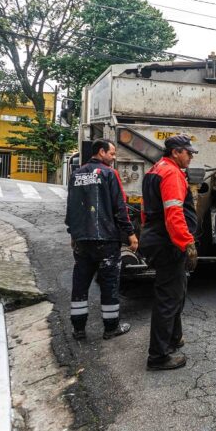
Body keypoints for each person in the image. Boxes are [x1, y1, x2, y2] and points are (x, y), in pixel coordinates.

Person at [65, 139, 138, 341]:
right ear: (101, 152)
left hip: (82, 240)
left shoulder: (77, 174)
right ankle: (110, 328)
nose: (114, 158)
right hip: (106, 239)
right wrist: (130, 233)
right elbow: (119, 207)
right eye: (112, 154)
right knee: (109, 284)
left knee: (80, 284)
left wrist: (73, 234)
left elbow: (71, 207)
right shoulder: (108, 174)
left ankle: (78, 329)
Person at [139, 135, 199, 370]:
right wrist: (187, 244)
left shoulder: (155, 169)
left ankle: (174, 337)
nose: (191, 156)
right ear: (175, 152)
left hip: (157, 238)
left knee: (176, 291)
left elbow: (146, 210)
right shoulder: (172, 173)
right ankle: (159, 356)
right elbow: (174, 213)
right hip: (168, 242)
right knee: (168, 298)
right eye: (188, 152)